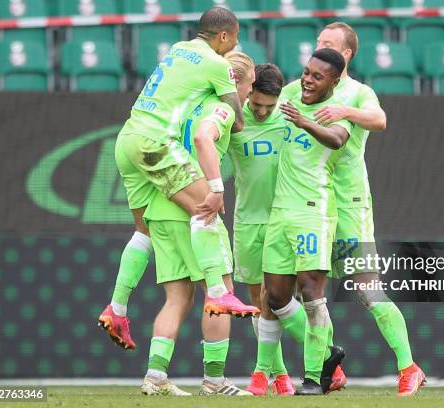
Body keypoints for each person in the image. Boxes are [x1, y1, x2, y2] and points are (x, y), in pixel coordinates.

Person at [98, 6, 257, 351]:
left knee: (143, 231)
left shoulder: (177, 49)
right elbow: (237, 116)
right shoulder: (218, 66)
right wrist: (217, 187)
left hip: (127, 139)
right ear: (225, 36)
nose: (234, 44)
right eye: (235, 37)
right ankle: (219, 293)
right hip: (155, 142)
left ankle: (118, 307)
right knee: (206, 208)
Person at [294, 22, 425, 396]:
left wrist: (344, 112)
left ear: (346, 53)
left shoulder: (357, 92)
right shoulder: (305, 86)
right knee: (308, 291)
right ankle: (328, 369)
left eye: (327, 43)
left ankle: (409, 366)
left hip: (349, 202)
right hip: (309, 204)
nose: (318, 46)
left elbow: (380, 120)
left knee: (368, 290)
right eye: (317, 40)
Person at [140, 51, 256, 396]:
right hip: (197, 207)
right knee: (220, 293)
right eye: (248, 86)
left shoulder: (185, 103)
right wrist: (217, 188)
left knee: (176, 299)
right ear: (237, 82)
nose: (247, 96)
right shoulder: (220, 108)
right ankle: (215, 381)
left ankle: (155, 377)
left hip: (162, 206)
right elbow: (205, 138)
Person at [261, 48, 352, 396]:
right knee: (277, 297)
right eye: (306, 72)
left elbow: (338, 139)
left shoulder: (335, 111)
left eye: (317, 76)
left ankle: (315, 376)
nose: (308, 80)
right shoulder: (288, 94)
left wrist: (305, 122)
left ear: (334, 80)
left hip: (313, 210)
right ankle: (328, 352)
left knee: (312, 293)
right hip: (280, 212)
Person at [226, 64, 295, 395]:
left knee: (279, 298)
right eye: (257, 104)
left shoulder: (289, 118)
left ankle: (262, 372)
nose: (264, 111)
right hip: (248, 221)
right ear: (248, 94)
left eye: (270, 105)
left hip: (283, 220)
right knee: (258, 300)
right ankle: (279, 375)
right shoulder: (234, 122)